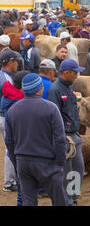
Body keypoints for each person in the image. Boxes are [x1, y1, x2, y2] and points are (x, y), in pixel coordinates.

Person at [5, 74, 67, 206]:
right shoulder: (51, 108)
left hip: (23, 162)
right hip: (47, 162)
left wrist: (17, 161)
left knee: (28, 201)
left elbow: (9, 141)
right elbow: (60, 138)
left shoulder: (12, 110)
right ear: (40, 89)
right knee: (59, 200)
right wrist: (60, 162)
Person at [47, 59, 86, 206]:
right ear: (66, 73)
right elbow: (54, 118)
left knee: (77, 169)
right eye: (74, 72)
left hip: (74, 135)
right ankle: (67, 201)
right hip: (66, 138)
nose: (77, 75)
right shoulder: (55, 90)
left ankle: (73, 198)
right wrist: (62, 138)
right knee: (67, 172)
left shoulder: (69, 87)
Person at [0, 50, 20, 192]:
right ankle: (9, 182)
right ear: (10, 62)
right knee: (10, 148)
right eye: (16, 61)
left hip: (4, 116)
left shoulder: (5, 76)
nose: (18, 64)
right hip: (5, 116)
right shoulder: (5, 79)